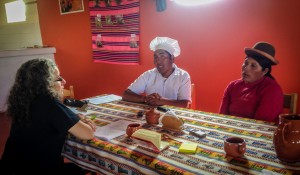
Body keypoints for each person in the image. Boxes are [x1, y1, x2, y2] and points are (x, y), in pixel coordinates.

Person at [0, 58, 96, 175]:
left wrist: (76, 118)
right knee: (78, 170)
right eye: (59, 79)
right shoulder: (51, 105)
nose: (64, 81)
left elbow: (49, 121)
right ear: (46, 84)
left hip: (11, 168)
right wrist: (87, 124)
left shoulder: (24, 102)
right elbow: (87, 134)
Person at [219, 42, 283, 124]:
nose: (246, 68)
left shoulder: (272, 90)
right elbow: (221, 117)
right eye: (245, 63)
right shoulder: (232, 86)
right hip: (230, 131)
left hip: (258, 133)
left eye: (253, 66)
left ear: (265, 71)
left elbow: (259, 125)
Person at [122, 36, 191, 108]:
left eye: (162, 56)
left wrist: (162, 101)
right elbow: (126, 95)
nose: (158, 61)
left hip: (172, 117)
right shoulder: (148, 75)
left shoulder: (183, 76)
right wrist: (145, 99)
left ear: (172, 58)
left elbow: (184, 104)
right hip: (151, 114)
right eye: (155, 57)